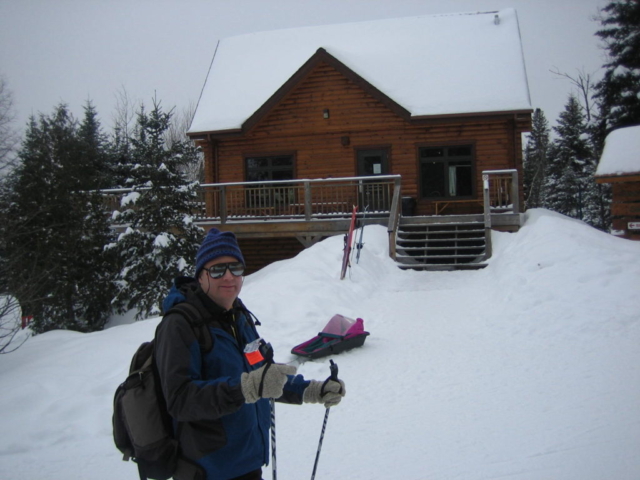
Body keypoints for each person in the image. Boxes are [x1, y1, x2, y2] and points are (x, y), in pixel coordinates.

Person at [155, 228, 346, 480]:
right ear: (200, 276)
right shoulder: (180, 325)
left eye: (236, 268)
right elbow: (180, 400)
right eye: (217, 269)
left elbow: (262, 376)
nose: (228, 276)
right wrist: (246, 388)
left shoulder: (239, 317)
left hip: (247, 461)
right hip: (209, 469)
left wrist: (311, 390)